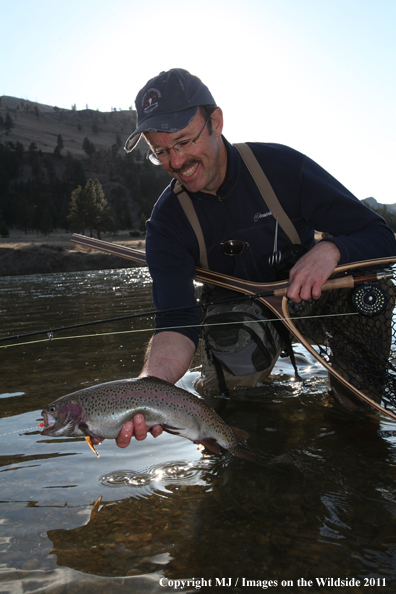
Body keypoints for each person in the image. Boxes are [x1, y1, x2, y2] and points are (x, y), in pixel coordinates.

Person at [114, 68, 396, 448]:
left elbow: (381, 238)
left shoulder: (282, 168)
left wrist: (332, 249)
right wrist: (151, 391)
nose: (176, 162)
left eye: (183, 141)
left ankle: (351, 422)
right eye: (160, 152)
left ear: (216, 122)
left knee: (373, 295)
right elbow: (176, 322)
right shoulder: (166, 223)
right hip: (237, 316)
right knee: (232, 421)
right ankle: (241, 452)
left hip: (311, 298)